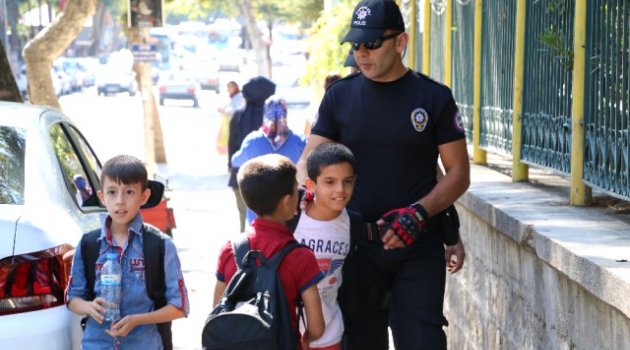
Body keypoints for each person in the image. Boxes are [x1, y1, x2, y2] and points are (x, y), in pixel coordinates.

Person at [296, 0, 469, 348]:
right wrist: (311, 206)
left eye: (372, 43)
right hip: (356, 247)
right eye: (356, 44)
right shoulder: (339, 96)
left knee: (422, 341)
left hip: (418, 244)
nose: (362, 52)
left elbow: (458, 173)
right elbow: (307, 164)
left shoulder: (433, 97)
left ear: (400, 42)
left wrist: (419, 214)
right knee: (360, 341)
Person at [66, 154, 189, 349]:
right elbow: (72, 298)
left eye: (129, 192)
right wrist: (89, 307)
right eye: (112, 192)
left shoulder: (160, 245)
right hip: (97, 343)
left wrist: (138, 320)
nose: (120, 201)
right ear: (101, 197)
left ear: (144, 196)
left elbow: (179, 307)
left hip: (144, 343)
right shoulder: (88, 244)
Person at [213, 154, 325, 349]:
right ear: (286, 201)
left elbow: (217, 309)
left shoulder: (229, 249)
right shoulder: (300, 256)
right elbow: (316, 327)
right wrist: (303, 341)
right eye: (296, 188)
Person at [292, 142, 358, 350]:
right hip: (287, 333)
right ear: (311, 184)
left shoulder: (354, 224)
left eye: (347, 181)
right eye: (330, 182)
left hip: (330, 335)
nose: (340, 190)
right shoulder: (292, 217)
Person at [231, 96, 306, 225]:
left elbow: (235, 161)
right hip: (290, 209)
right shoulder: (300, 141)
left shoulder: (252, 140)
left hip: (258, 210)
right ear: (285, 113)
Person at [227, 76, 275, 232]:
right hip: (270, 178)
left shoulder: (238, 116)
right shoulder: (273, 119)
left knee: (245, 222)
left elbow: (231, 147)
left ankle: (244, 253)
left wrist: (231, 167)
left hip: (240, 175)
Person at [216, 81, 245, 155]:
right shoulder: (234, 97)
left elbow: (236, 110)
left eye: (229, 87)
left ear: (235, 87)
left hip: (234, 124)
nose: (228, 89)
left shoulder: (240, 96)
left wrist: (225, 112)